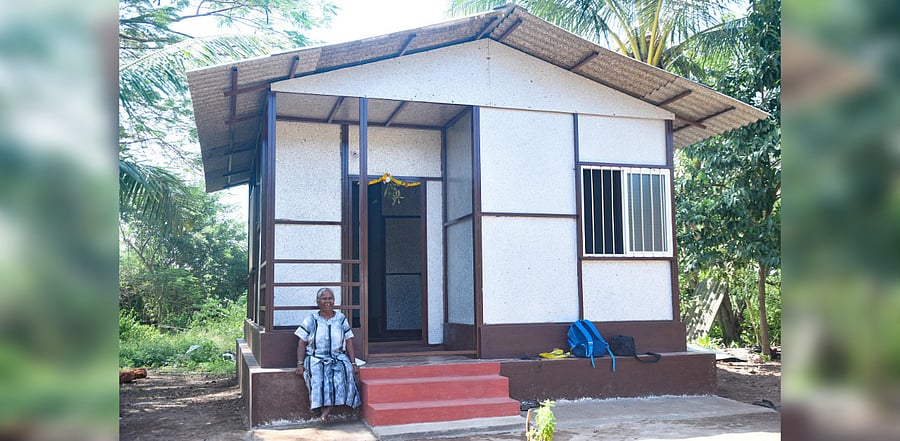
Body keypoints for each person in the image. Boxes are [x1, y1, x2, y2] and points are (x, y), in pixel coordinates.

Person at [293, 287, 362, 423]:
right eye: (324, 299)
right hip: (315, 358)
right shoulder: (311, 319)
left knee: (344, 372)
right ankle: (322, 410)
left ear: (334, 301)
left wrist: (353, 363)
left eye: (330, 298)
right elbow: (302, 343)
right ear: (318, 301)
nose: (327, 301)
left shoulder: (341, 318)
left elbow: (349, 341)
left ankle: (326, 411)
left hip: (337, 357)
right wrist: (300, 364)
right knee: (318, 377)